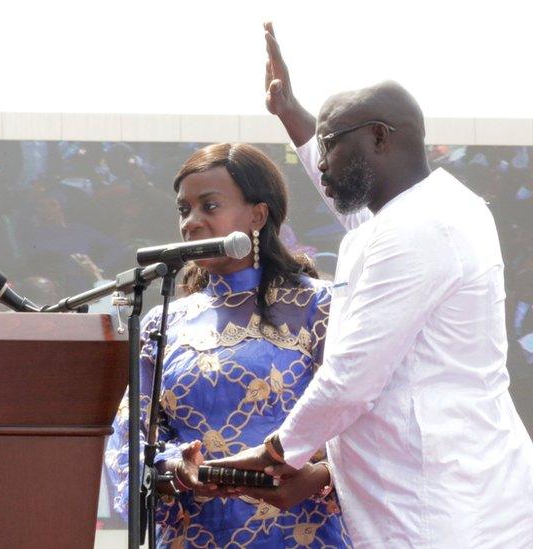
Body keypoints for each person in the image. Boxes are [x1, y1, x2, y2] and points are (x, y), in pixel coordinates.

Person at [205, 23, 533, 548]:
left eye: (331, 145)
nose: (320, 162)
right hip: (425, 496)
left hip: (441, 510)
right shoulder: (414, 212)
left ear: (380, 138)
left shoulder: (421, 228)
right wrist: (291, 111)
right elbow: (343, 198)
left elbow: (351, 378)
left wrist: (276, 453)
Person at [105, 142, 351, 547]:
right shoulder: (161, 322)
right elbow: (130, 438)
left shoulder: (320, 306)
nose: (192, 222)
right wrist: (171, 468)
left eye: (210, 206)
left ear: (258, 214)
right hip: (197, 534)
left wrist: (319, 477)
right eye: (184, 209)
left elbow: (364, 418)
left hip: (304, 531)